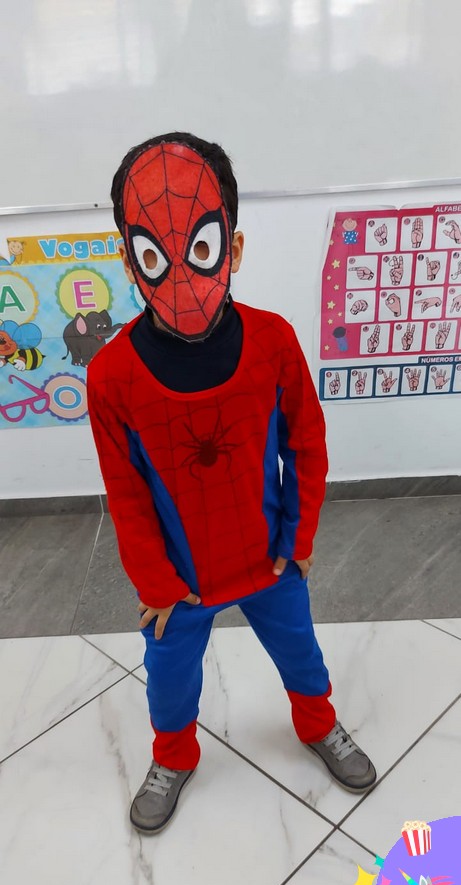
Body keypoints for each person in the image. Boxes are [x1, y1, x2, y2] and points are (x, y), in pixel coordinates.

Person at [87, 131, 376, 835]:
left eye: (201, 247)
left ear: (233, 248)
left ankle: (317, 722)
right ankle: (173, 756)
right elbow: (124, 491)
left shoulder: (274, 342)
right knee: (169, 680)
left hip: (268, 560)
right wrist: (155, 582)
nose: (180, 276)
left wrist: (297, 539)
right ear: (130, 261)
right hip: (179, 583)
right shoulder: (111, 375)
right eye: (153, 256)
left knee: (301, 651)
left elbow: (307, 446)